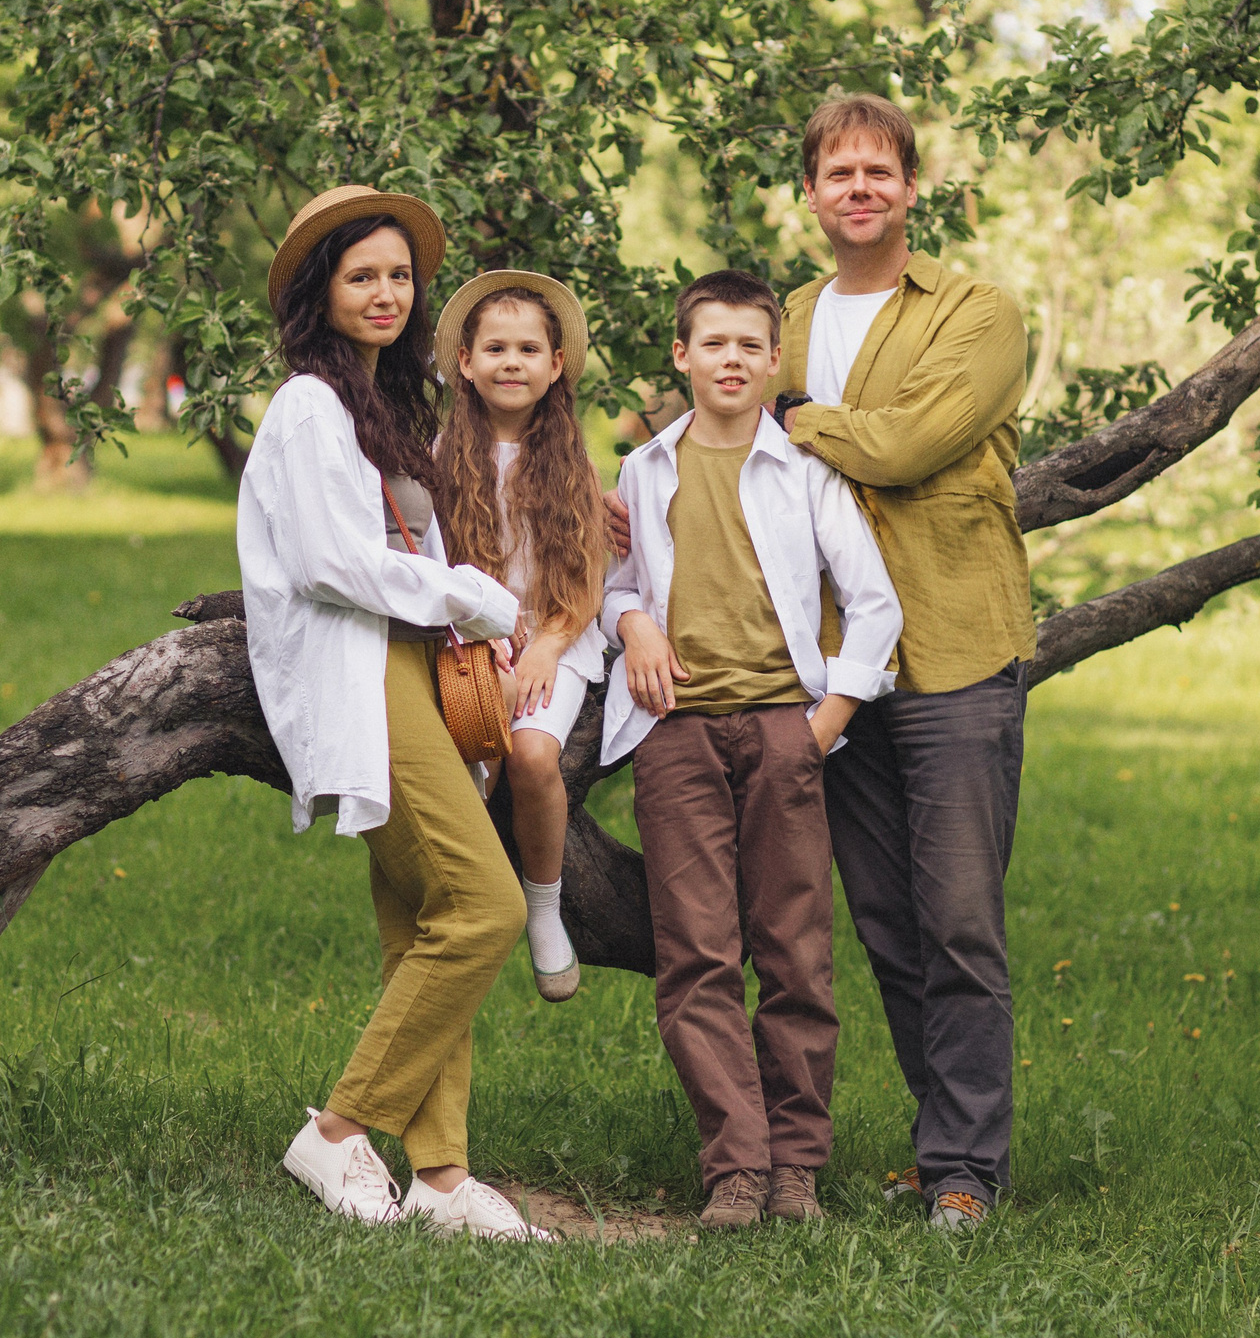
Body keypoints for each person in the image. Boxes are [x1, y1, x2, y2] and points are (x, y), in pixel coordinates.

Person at [237, 184, 556, 1241]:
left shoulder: (380, 405)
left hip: (410, 669)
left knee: (423, 926)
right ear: (319, 293)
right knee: (486, 908)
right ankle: (338, 1130)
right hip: (359, 670)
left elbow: (399, 545)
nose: (384, 292)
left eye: (398, 276)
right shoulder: (309, 406)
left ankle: (443, 1179)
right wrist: (470, 595)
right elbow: (331, 563)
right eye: (360, 275)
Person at [777, 94, 1035, 1233]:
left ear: (911, 188)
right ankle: (945, 1155)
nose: (860, 189)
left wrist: (798, 420)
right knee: (883, 921)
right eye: (839, 173)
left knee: (959, 921)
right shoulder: (784, 316)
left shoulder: (979, 314)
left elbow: (916, 443)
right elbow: (732, 445)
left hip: (954, 650)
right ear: (812, 194)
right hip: (831, 669)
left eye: (879, 171)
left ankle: (970, 1173)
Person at [600, 269, 904, 1231]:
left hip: (785, 729)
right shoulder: (645, 471)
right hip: (677, 736)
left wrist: (827, 721)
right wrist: (632, 624)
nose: (731, 360)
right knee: (696, 953)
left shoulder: (804, 472)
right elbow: (609, 585)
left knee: (795, 953)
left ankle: (797, 1167)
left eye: (750, 346)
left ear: (775, 363)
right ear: (681, 355)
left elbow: (875, 603)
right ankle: (736, 1164)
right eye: (713, 343)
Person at [432, 271, 606, 1002]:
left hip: (557, 636)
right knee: (474, 751)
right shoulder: (443, 453)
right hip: (469, 637)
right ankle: (458, 903)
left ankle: (542, 906)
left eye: (529, 348)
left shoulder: (571, 458)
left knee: (533, 753)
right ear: (465, 362)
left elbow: (587, 574)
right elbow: (433, 566)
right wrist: (487, 641)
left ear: (556, 363)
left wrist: (546, 645)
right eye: (495, 347)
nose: (512, 361)